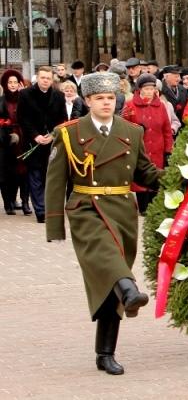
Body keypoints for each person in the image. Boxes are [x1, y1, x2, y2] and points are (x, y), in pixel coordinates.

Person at [45, 72, 163, 375]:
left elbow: (145, 172)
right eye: (100, 98)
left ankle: (105, 353)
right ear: (88, 101)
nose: (106, 103)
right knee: (109, 261)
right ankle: (130, 289)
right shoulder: (69, 133)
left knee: (109, 285)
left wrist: (181, 177)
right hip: (87, 208)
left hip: (123, 210)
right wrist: (55, 225)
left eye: (110, 98)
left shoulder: (131, 131)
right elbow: (56, 180)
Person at [16, 66, 68, 223]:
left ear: (52, 80)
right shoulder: (25, 94)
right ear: (37, 78)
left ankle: (50, 208)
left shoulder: (58, 95)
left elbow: (63, 118)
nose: (45, 80)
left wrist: (53, 134)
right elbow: (22, 118)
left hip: (52, 142)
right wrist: (35, 135)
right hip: (33, 142)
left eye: (48, 78)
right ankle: (40, 210)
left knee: (49, 177)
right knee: (35, 176)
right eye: (43, 77)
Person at [123, 73, 173, 214]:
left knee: (156, 176)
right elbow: (124, 128)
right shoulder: (130, 105)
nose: (149, 92)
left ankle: (155, 206)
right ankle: (143, 207)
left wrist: (169, 149)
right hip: (140, 149)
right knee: (141, 177)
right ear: (140, 90)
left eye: (152, 89)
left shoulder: (161, 106)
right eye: (146, 89)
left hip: (158, 148)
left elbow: (167, 130)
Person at [0, 69, 31, 215]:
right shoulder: (2, 100)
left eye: (15, 82)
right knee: (9, 172)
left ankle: (25, 202)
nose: (12, 85)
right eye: (10, 82)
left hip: (25, 138)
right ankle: (10, 202)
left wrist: (25, 95)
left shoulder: (25, 98)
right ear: (5, 84)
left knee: (25, 171)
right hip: (7, 139)